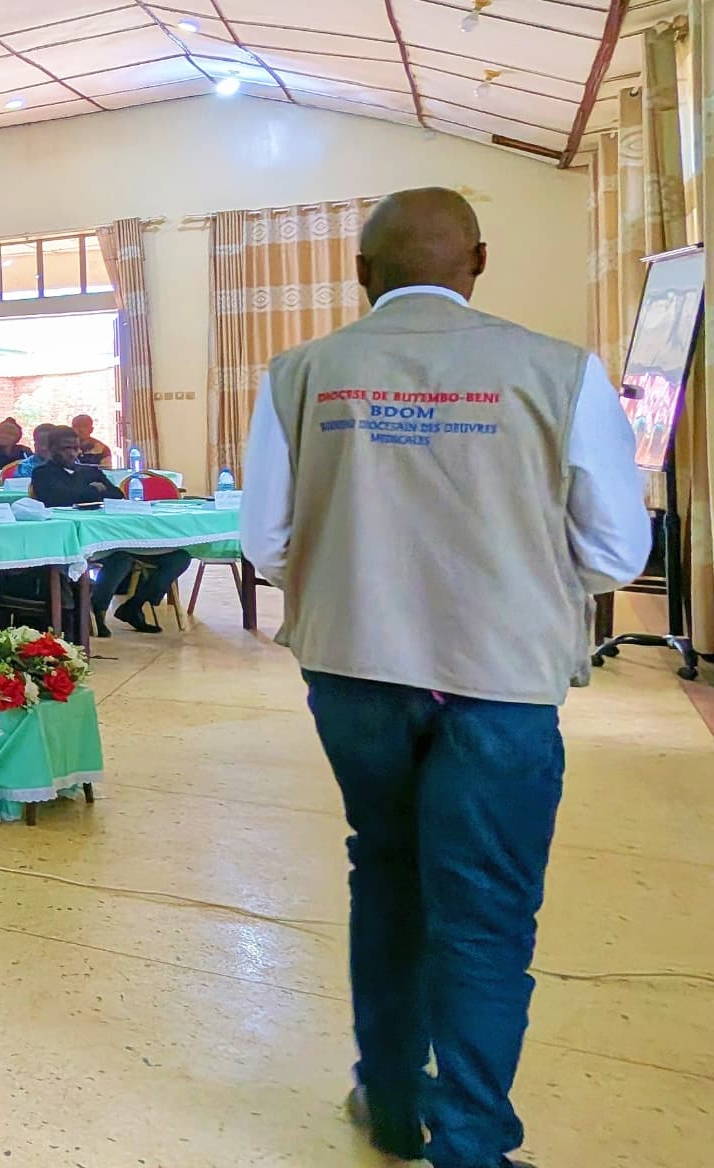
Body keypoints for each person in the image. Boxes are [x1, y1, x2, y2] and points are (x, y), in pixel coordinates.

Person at [242, 188, 649, 1168]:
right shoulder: (560, 369)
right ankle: (468, 1139)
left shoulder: (301, 372)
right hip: (499, 680)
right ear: (479, 258)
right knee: (483, 909)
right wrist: (518, 581)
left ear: (358, 272)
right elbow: (617, 550)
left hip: (354, 672)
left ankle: (387, 1098)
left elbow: (262, 544)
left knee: (382, 875)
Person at [29, 427, 189, 635]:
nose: (73, 453)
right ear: (51, 450)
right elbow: (58, 499)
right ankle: (98, 608)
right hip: (77, 539)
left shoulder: (90, 471)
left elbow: (116, 494)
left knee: (179, 557)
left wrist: (88, 493)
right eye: (66, 448)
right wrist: (94, 491)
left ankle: (134, 605)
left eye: (76, 448)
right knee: (120, 559)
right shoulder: (42, 473)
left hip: (114, 535)